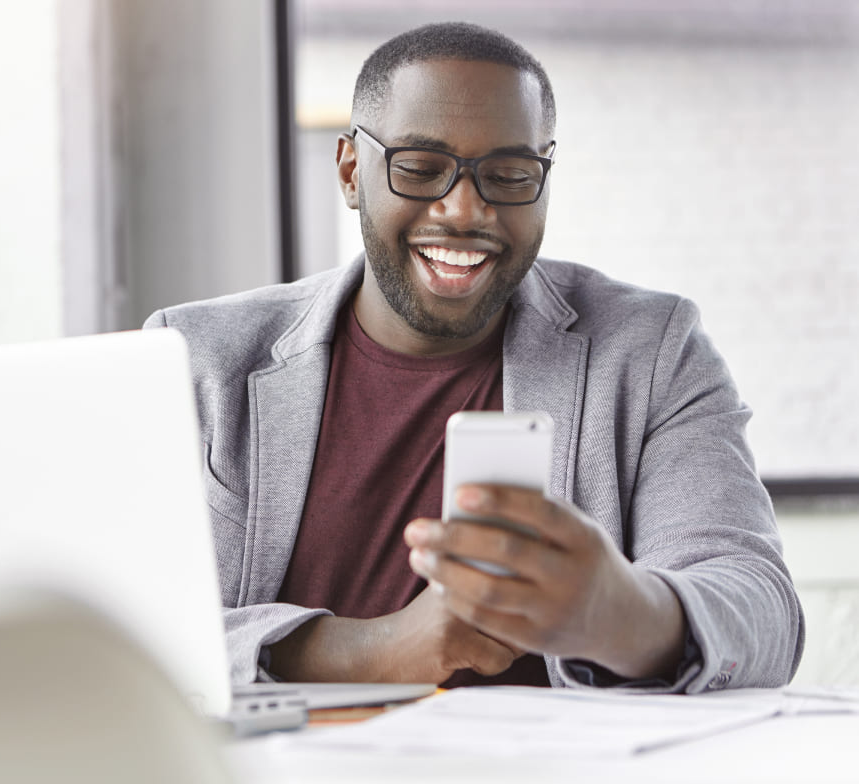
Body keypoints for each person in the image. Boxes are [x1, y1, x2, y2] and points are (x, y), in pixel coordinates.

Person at [143, 22, 803, 692]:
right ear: (350, 171)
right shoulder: (193, 360)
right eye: (421, 169)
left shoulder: (650, 350)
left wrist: (617, 613)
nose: (464, 209)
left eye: (510, 174)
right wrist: (376, 650)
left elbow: (763, 615)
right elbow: (113, 624)